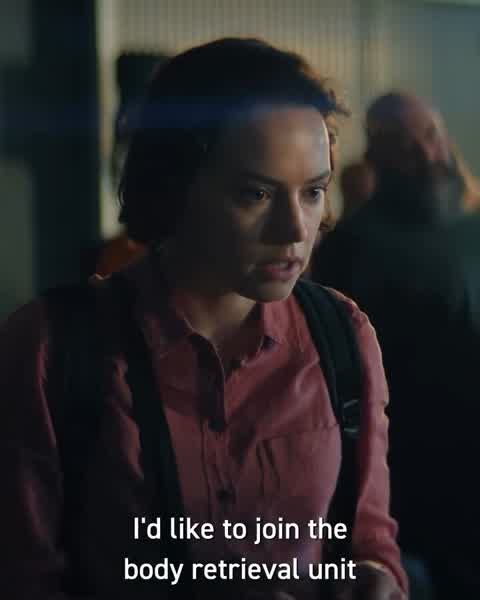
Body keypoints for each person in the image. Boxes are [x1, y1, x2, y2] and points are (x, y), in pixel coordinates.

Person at [0, 39, 406, 599]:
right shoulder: (51, 347)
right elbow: (23, 577)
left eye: (313, 191)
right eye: (255, 193)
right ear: (176, 185)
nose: (295, 229)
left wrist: (377, 579)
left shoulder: (342, 336)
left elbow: (369, 539)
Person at [311, 91, 480, 598]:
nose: (427, 154)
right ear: (379, 155)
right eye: (407, 146)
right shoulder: (352, 246)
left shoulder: (474, 227)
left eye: (431, 135)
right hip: (411, 468)